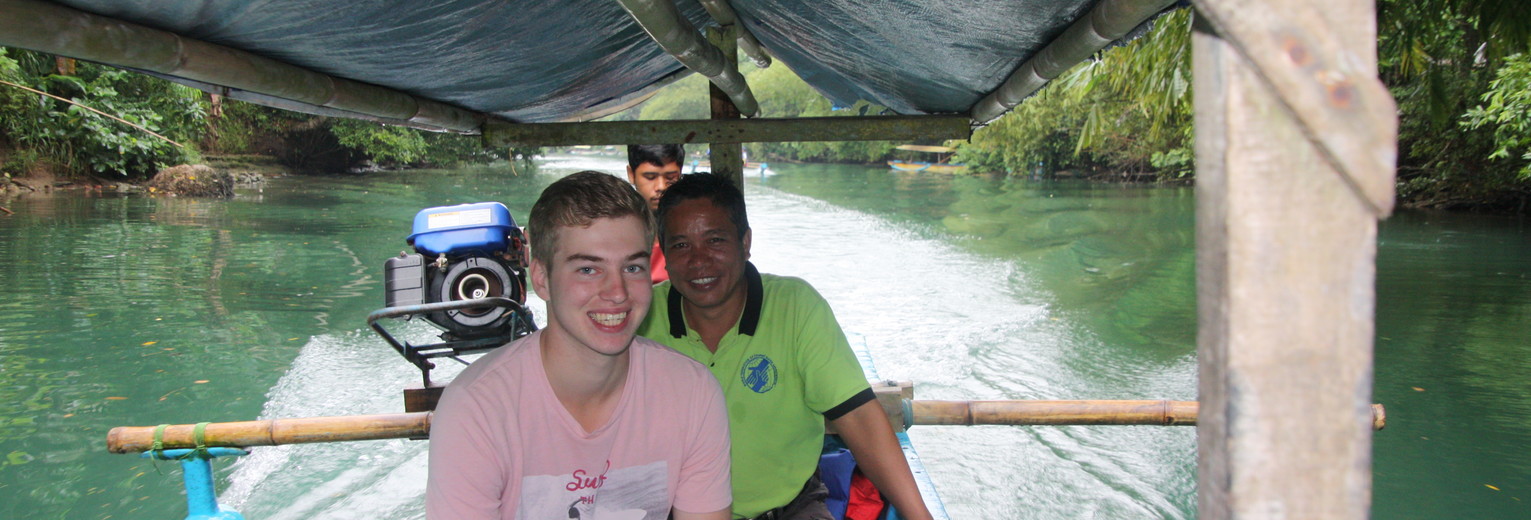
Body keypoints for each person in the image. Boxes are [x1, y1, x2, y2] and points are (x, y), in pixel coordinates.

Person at [427, 171, 732, 520]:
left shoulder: (691, 393)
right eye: (588, 269)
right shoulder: (477, 410)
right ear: (541, 277)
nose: (617, 292)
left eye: (632, 267)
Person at [637, 174, 933, 520]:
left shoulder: (795, 307)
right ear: (664, 253)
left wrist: (919, 516)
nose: (699, 261)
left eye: (715, 240)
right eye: (681, 245)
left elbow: (859, 417)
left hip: (789, 510)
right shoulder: (642, 317)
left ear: (745, 243)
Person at [626, 144, 685, 284]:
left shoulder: (692, 229)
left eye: (670, 178)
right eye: (650, 177)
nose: (661, 187)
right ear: (631, 175)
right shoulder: (617, 231)